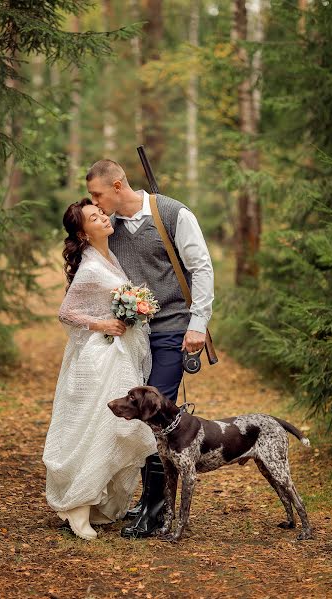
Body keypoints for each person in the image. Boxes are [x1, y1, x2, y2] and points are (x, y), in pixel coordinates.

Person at [86, 159, 214, 538]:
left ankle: (157, 511)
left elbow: (202, 267)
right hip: (132, 336)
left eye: (97, 194)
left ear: (118, 185)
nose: (93, 201)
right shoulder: (112, 227)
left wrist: (198, 324)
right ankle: (147, 500)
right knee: (136, 414)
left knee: (155, 411)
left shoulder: (174, 214)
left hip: (174, 328)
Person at [42, 198, 157, 540]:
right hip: (99, 359)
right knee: (96, 427)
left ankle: (96, 502)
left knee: (116, 428)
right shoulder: (91, 267)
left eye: (102, 213)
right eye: (95, 217)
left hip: (119, 356)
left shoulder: (111, 257)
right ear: (83, 231)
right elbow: (67, 313)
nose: (104, 218)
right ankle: (77, 507)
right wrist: (102, 323)